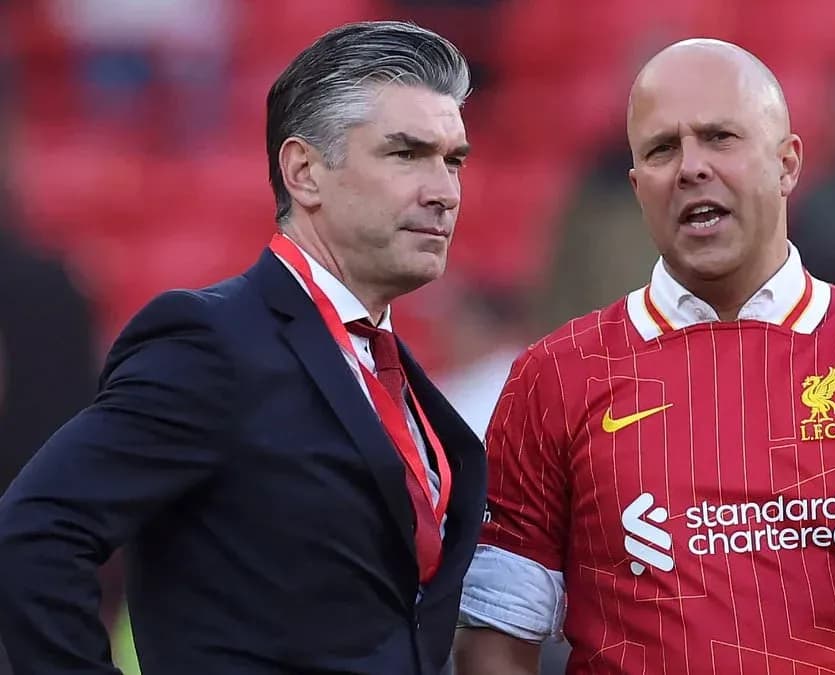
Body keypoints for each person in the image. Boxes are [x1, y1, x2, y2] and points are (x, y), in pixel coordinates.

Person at [453, 38, 835, 673]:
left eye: (720, 138)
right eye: (662, 149)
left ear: (788, 164)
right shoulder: (555, 375)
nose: (690, 168)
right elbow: (496, 635)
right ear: (638, 186)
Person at [0, 21, 486, 674]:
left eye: (453, 161)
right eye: (406, 154)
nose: (444, 192)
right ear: (304, 172)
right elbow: (33, 536)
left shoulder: (393, 375)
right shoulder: (211, 344)